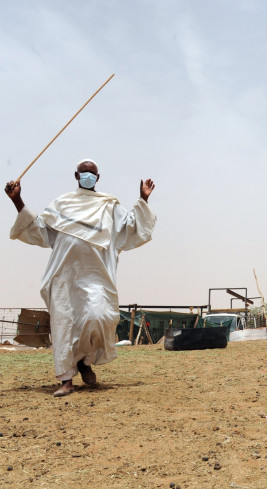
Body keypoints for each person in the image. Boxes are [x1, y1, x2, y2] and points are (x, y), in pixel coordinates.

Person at [5, 159, 156, 397]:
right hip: (64, 277)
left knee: (100, 317)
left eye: (91, 173)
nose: (87, 176)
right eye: (84, 172)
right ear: (76, 176)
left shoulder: (109, 206)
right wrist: (17, 200)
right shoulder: (62, 203)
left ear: (98, 177)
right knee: (65, 326)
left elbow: (130, 228)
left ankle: (84, 362)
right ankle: (66, 380)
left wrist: (143, 199)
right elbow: (40, 230)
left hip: (96, 276)